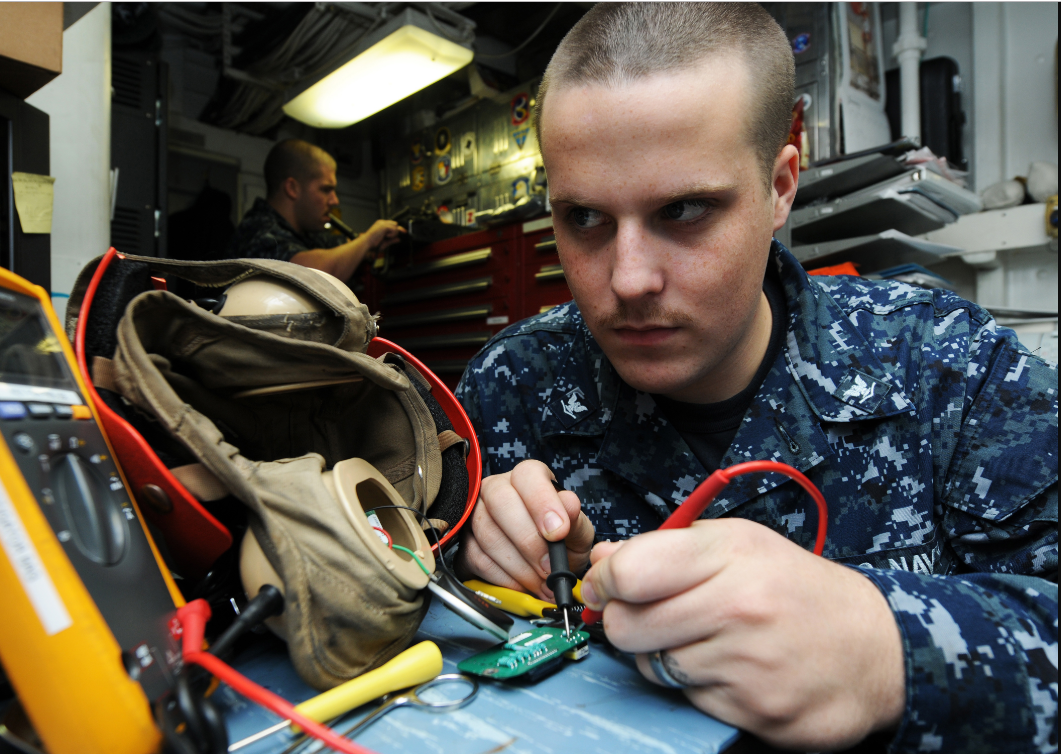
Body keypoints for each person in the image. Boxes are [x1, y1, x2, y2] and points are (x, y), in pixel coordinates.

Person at [454, 4, 1057, 752]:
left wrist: (887, 648)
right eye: (583, 218)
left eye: (682, 210)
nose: (628, 278)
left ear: (779, 187)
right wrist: (465, 544)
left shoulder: (947, 365)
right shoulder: (508, 387)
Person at [226, 139, 403, 281]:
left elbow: (340, 249)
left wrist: (376, 241)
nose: (335, 201)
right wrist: (367, 241)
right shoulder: (257, 232)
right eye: (326, 189)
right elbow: (311, 274)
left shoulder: (306, 234)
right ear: (292, 188)